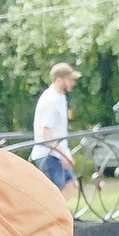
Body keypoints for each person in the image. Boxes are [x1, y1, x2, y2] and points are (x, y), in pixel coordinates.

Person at [30, 64, 77, 195]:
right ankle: (53, 215)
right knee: (55, 194)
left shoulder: (60, 97)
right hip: (48, 154)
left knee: (71, 184)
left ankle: (60, 215)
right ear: (59, 79)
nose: (72, 83)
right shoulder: (50, 100)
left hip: (56, 153)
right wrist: (63, 155)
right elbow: (46, 133)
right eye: (70, 79)